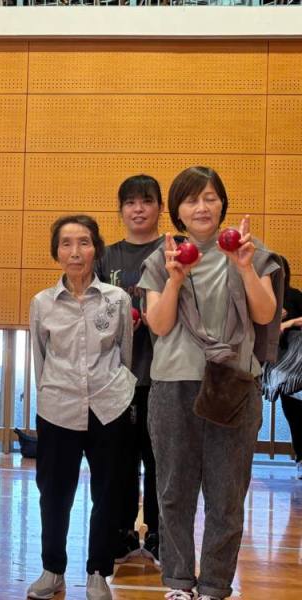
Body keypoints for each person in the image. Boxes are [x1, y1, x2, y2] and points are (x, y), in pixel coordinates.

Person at [139, 166, 282, 600]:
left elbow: (264, 314)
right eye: (190, 199)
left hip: (234, 385)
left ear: (222, 203)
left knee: (227, 494)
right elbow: (159, 325)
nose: (201, 207)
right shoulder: (162, 257)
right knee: (173, 491)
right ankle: (179, 581)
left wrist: (244, 268)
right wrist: (175, 280)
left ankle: (216, 585)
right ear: (177, 210)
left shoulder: (251, 251)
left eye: (210, 197)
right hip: (174, 384)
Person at [27, 214, 135, 600]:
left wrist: (119, 391)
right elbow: (40, 359)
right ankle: (52, 570)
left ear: (96, 250)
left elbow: (125, 354)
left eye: (84, 242)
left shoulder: (117, 299)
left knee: (107, 494)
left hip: (109, 406)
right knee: (54, 494)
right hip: (58, 408)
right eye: (67, 244)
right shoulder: (42, 303)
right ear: (56, 252)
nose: (76, 252)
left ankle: (98, 573)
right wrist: (51, 393)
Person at [96, 175, 163, 565]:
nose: (138, 209)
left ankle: (157, 534)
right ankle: (121, 532)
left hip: (163, 375)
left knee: (159, 460)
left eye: (146, 201)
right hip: (117, 377)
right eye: (130, 202)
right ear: (121, 209)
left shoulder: (173, 251)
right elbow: (92, 310)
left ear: (159, 208)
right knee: (119, 461)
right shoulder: (106, 257)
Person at [263, 255, 302, 479]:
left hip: (294, 367)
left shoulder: (294, 295)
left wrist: (290, 322)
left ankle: (300, 457)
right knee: (290, 413)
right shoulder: (260, 297)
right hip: (270, 365)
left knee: (296, 411)